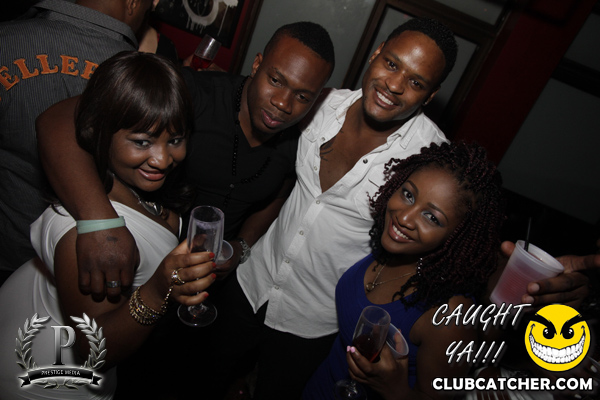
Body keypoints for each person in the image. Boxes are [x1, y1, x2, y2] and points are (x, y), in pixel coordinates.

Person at [213, 16, 598, 399]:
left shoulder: (429, 158)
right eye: (392, 64)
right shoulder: (321, 105)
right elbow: (267, 146)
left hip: (315, 321)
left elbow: (458, 238)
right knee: (207, 372)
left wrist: (524, 283)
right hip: (251, 280)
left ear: (430, 96)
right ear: (377, 53)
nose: (394, 85)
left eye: (416, 82)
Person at [35, 21, 335, 299]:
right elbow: (59, 119)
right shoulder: (194, 92)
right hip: (141, 261)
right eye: (276, 80)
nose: (283, 103)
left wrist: (241, 246)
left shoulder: (301, 140)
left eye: (303, 97)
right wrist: (99, 223)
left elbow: (278, 194)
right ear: (257, 64)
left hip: (212, 285)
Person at [0, 51, 217, 400]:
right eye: (142, 142)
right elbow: (92, 349)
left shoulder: (128, 186)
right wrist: (159, 287)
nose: (163, 159)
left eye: (175, 140)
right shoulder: (82, 235)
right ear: (100, 133)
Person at [302, 141, 505, 399]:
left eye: (431, 217)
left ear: (458, 238)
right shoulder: (390, 248)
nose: (404, 217)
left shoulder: (450, 318)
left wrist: (394, 390)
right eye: (408, 195)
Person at [0, 0, 153, 285]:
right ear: (133, 3)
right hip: (88, 272)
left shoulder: (6, 40)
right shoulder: (140, 80)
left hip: (12, 252)